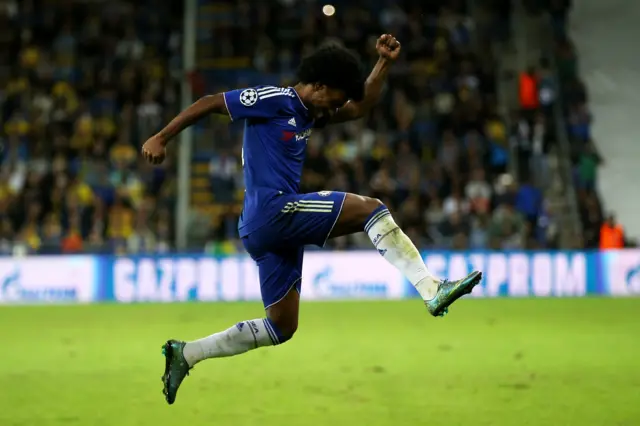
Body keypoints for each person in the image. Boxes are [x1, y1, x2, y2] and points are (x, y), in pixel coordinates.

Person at [141, 35, 482, 405]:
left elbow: (360, 106)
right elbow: (210, 102)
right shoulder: (275, 99)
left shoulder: (309, 110)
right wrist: (161, 138)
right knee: (371, 209)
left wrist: (383, 63)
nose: (332, 110)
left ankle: (186, 354)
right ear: (318, 86)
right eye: (332, 100)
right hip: (272, 212)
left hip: (266, 231)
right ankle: (431, 288)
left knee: (282, 326)